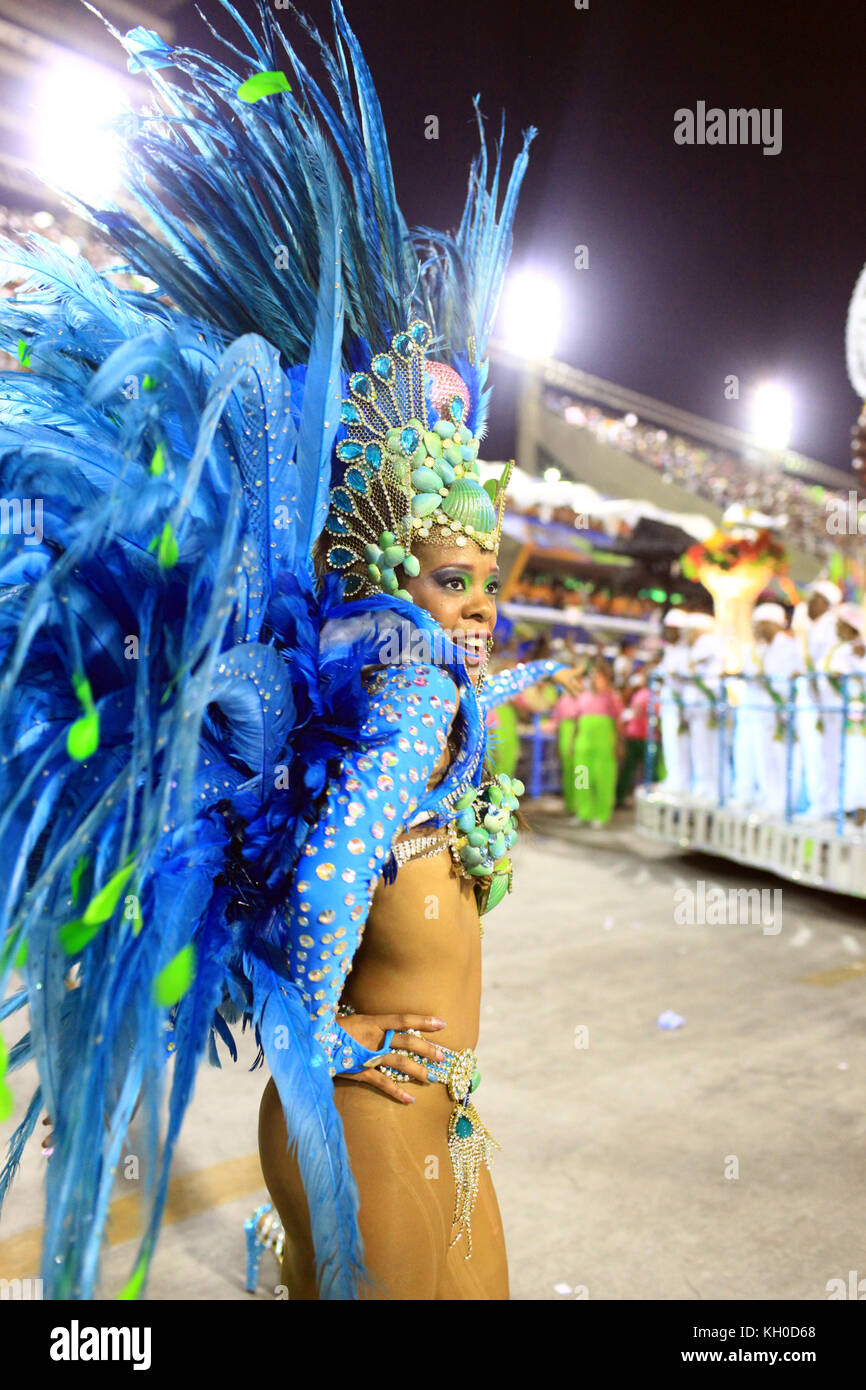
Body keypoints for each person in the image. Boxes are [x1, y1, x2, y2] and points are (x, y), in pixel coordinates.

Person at [0, 0, 583, 1301]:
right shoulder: (409, 689)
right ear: (388, 572)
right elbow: (322, 875)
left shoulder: (424, 698)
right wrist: (322, 1036)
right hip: (365, 1117)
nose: (476, 604)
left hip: (436, 1109)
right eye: (449, 577)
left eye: (485, 578)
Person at [739, 603, 801, 816]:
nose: (757, 629)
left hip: (780, 713)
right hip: (759, 712)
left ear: (773, 624)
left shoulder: (789, 646)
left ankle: (784, 802)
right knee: (763, 758)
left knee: (780, 758)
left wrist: (767, 680)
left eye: (761, 625)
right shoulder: (759, 648)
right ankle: (769, 797)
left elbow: (789, 679)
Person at [792, 581, 842, 820]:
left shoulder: (832, 626)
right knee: (815, 753)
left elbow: (830, 663)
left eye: (813, 600)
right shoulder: (815, 627)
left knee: (826, 755)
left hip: (828, 702)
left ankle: (827, 806)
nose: (808, 605)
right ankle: (821, 804)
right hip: (816, 700)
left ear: (825, 603)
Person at [568, 663, 623, 826]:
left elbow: (619, 723)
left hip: (604, 747)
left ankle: (601, 814)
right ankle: (583, 812)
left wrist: (620, 745)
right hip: (583, 746)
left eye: (597, 676)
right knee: (581, 780)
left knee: (603, 780)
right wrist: (572, 742)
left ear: (606, 678)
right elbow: (577, 722)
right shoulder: (582, 696)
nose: (593, 679)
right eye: (591, 675)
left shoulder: (612, 697)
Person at [827, 603, 866, 825]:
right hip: (852, 716)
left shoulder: (856, 649)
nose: (837, 628)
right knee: (853, 760)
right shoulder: (843, 649)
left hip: (858, 714)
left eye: (840, 624)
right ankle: (855, 809)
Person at [657, 610, 692, 794]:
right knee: (670, 746)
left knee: (681, 749)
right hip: (669, 706)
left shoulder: (686, 652)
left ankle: (682, 784)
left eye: (672, 629)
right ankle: (673, 779)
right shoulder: (670, 651)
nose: (668, 633)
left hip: (681, 708)